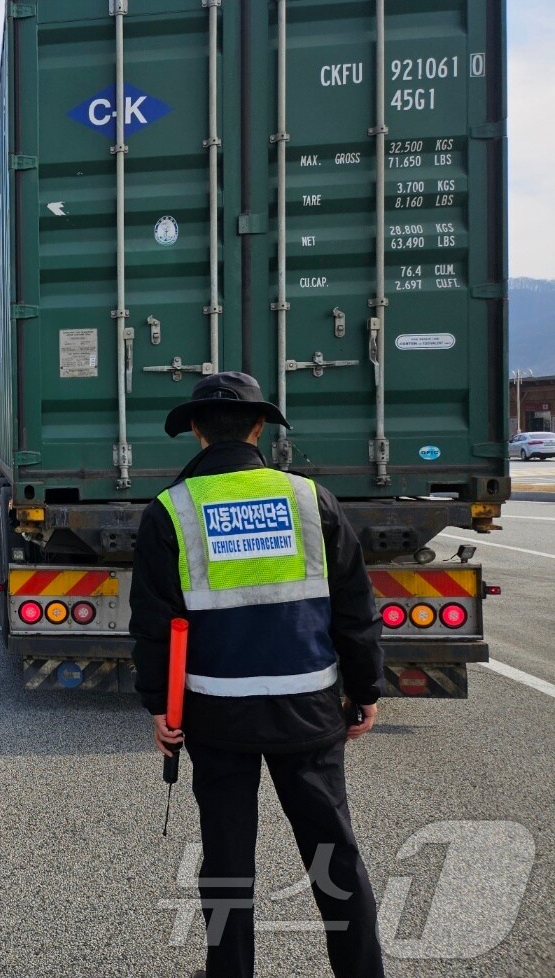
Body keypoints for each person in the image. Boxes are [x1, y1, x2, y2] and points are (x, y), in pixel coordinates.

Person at [128, 372, 385, 978]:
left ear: (194, 429)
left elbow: (154, 623)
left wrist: (158, 707)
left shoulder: (172, 510)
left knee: (225, 861)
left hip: (216, 714)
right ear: (259, 427)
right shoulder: (309, 498)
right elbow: (354, 605)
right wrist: (366, 688)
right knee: (332, 856)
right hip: (309, 710)